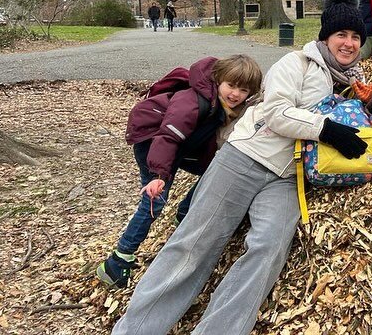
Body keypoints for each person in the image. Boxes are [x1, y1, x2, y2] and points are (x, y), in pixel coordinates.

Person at [110, 0, 372, 335]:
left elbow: (356, 126)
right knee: (194, 244)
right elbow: (275, 113)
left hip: (290, 177)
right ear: (325, 37)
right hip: (246, 157)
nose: (348, 43)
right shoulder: (297, 64)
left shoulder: (356, 81)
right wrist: (326, 129)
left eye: (354, 37)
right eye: (340, 35)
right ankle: (136, 329)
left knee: (268, 249)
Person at [96, 55, 263, 289]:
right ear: (218, 80)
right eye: (231, 85)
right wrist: (160, 176)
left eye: (243, 90)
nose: (235, 94)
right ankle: (118, 261)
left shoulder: (227, 107)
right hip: (153, 144)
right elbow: (168, 136)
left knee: (215, 171)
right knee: (154, 200)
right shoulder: (194, 101)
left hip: (180, 146)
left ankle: (183, 213)